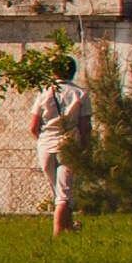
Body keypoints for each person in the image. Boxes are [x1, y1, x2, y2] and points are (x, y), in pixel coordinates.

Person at [30, 77, 84, 233]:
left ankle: (70, 227)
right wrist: (84, 146)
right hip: (68, 146)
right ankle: (58, 233)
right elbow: (85, 125)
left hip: (46, 147)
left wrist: (44, 139)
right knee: (64, 193)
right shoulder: (80, 94)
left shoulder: (44, 93)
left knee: (58, 190)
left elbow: (33, 127)